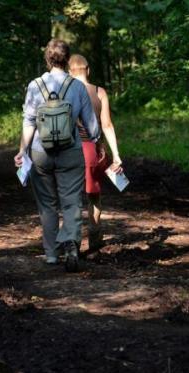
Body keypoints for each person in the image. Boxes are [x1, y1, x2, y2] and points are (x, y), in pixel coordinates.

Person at [14, 39, 100, 272]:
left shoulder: (34, 85)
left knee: (47, 205)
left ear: (47, 58)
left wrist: (23, 150)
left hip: (41, 153)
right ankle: (71, 245)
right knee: (71, 200)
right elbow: (92, 128)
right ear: (67, 59)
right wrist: (93, 139)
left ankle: (51, 254)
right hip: (70, 151)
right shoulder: (77, 87)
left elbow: (29, 121)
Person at [69, 54, 123, 252]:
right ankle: (94, 236)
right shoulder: (99, 92)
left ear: (69, 72)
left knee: (71, 197)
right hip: (91, 150)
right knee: (94, 196)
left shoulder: (64, 92)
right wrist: (116, 155)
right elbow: (107, 125)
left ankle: (72, 242)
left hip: (69, 150)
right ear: (88, 70)